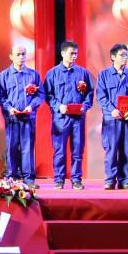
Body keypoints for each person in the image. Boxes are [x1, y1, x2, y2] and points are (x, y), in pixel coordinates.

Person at [44, 41, 95, 190]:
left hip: (78, 118)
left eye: (76, 54)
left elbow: (90, 93)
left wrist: (84, 106)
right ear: (63, 54)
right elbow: (47, 95)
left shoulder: (83, 73)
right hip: (61, 119)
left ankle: (76, 179)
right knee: (59, 150)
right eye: (71, 53)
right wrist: (58, 106)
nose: (74, 56)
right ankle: (59, 179)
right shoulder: (52, 73)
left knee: (77, 150)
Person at [96, 43, 128, 190]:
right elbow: (101, 96)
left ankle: (125, 180)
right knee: (111, 149)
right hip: (112, 119)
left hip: (127, 119)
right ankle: (110, 180)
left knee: (126, 150)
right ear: (113, 57)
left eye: (126, 55)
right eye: (122, 55)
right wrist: (112, 110)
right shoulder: (104, 75)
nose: (125, 58)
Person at [0, 45, 44, 184]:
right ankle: (11, 177)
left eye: (23, 54)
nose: (21, 57)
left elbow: (40, 95)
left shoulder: (33, 75)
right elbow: (0, 96)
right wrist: (9, 108)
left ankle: (28, 178)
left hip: (28, 117)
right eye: (18, 54)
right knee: (11, 147)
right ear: (11, 56)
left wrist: (32, 106)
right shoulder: (4, 75)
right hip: (11, 117)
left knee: (27, 148)